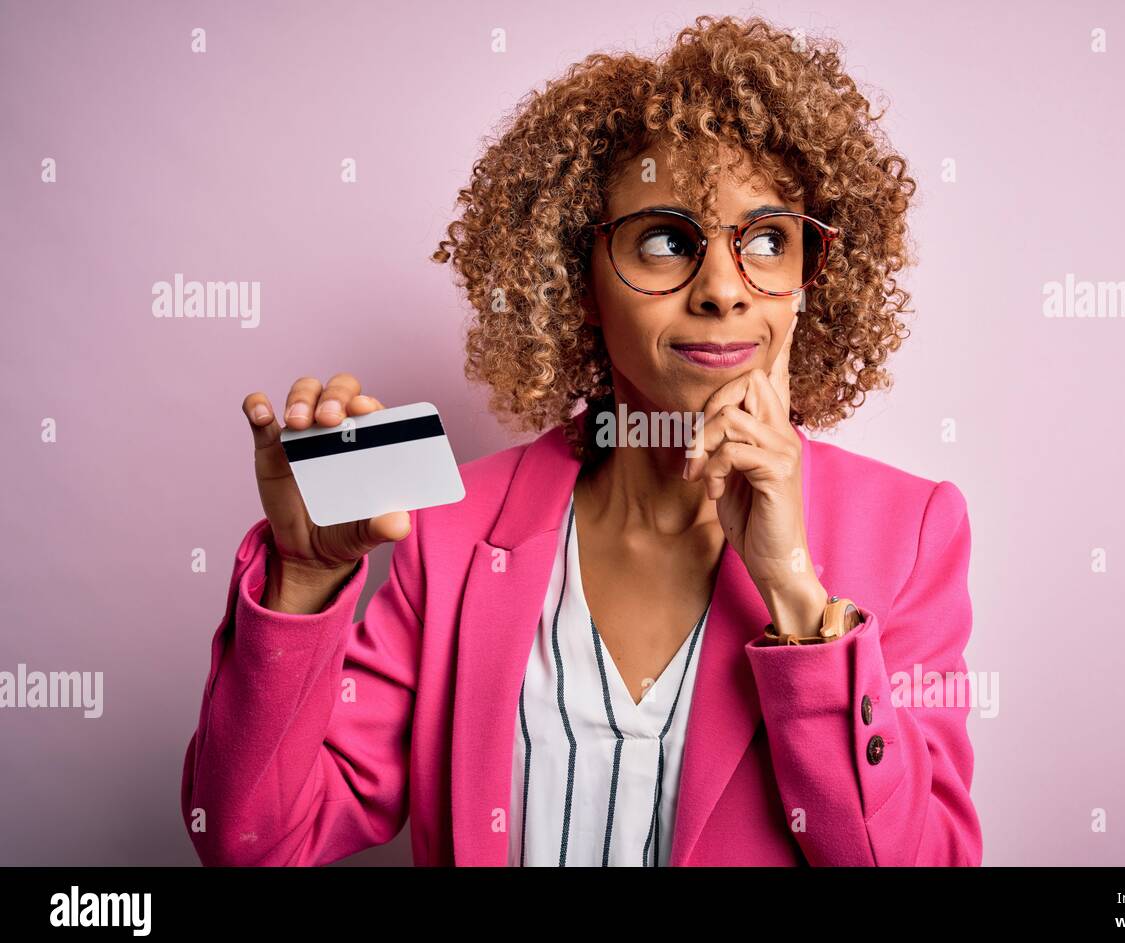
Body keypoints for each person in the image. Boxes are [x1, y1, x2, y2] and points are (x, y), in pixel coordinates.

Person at [181, 14, 982, 867]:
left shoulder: (910, 534)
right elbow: (250, 842)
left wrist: (794, 592)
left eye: (768, 241)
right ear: (575, 277)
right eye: (668, 240)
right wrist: (304, 582)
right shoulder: (452, 538)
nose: (722, 289)